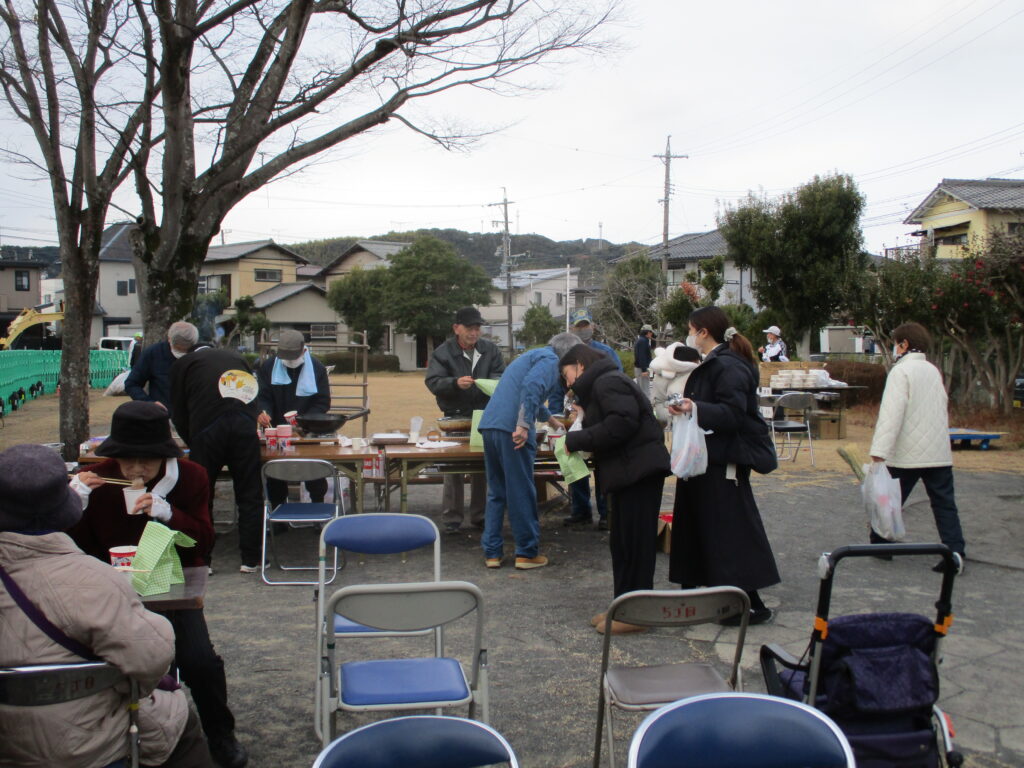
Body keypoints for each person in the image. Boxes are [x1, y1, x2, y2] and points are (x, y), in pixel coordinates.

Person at [0, 444, 215, 768]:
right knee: (179, 718)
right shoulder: (97, 580)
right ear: (63, 505)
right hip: (94, 744)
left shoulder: (190, 478)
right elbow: (151, 659)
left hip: (9, 742)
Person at [67, 401, 248, 768]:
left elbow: (203, 543)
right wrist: (73, 505)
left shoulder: (191, 477)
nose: (135, 469)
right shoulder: (99, 478)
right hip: (113, 587)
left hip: (172, 584)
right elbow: (74, 548)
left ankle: (220, 734)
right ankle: (119, 737)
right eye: (127, 459)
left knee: (199, 662)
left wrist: (169, 513)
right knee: (106, 663)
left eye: (146, 460)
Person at [667, 306, 780, 626]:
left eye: (691, 329)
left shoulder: (728, 365)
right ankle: (703, 594)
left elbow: (733, 414)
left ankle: (746, 602)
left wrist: (693, 406)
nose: (689, 335)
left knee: (729, 533)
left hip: (723, 460)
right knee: (708, 529)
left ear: (703, 332)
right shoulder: (719, 362)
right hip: (708, 458)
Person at [560, 344, 671, 635]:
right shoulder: (603, 383)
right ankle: (623, 606)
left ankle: (638, 614)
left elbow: (622, 423)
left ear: (579, 365)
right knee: (622, 543)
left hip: (639, 471)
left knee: (635, 543)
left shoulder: (608, 381)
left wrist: (579, 439)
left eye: (567, 374)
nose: (568, 382)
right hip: (628, 472)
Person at [478, 332, 581, 570]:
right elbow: (532, 387)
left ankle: (492, 552)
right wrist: (524, 425)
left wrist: (552, 421)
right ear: (568, 355)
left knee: (497, 491)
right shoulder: (550, 360)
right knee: (521, 490)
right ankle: (526, 552)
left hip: (490, 425)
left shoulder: (533, 356)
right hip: (510, 429)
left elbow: (523, 392)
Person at [869, 322, 966, 572]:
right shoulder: (932, 370)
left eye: (895, 343)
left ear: (904, 345)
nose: (893, 348)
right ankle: (955, 553)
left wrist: (879, 450)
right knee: (944, 503)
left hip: (907, 454)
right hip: (938, 452)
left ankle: (881, 544)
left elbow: (892, 415)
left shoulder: (901, 372)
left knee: (888, 499)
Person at [170, 343, 263, 574]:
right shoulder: (237, 358)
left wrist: (191, 440)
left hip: (206, 430)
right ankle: (251, 560)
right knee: (249, 493)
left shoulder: (184, 363)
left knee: (201, 495)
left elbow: (178, 410)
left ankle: (203, 559)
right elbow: (252, 395)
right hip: (243, 426)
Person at [425, 306, 506, 533]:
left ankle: (481, 515)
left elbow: (501, 374)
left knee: (483, 466)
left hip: (484, 415)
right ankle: (452, 517)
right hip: (454, 417)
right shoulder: (443, 352)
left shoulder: (490, 350)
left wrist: (489, 382)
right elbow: (432, 381)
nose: (474, 333)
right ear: (456, 328)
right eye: (470, 328)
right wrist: (454, 384)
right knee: (454, 467)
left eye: (477, 328)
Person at [563, 308, 623, 530]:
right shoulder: (566, 353)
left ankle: (605, 512)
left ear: (593, 326)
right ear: (572, 328)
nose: (583, 330)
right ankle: (580, 510)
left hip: (599, 415)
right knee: (574, 461)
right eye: (579, 326)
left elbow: (618, 379)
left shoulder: (605, 352)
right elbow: (557, 386)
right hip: (573, 418)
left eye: (586, 325)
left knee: (602, 464)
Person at [256, 329, 331, 508]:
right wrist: (264, 412)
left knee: (313, 471)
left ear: (304, 350)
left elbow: (322, 402)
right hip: (276, 430)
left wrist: (305, 420)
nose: (289, 360)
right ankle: (278, 511)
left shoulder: (317, 368)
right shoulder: (268, 367)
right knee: (276, 472)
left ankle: (318, 509)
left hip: (308, 431)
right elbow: (263, 396)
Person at [126, 321, 200, 412]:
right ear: (169, 339)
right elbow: (132, 384)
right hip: (164, 415)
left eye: (187, 349)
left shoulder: (201, 355)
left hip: (194, 416)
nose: (182, 353)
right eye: (178, 349)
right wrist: (149, 403)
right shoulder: (153, 353)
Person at [651, 341, 702, 426]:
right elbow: (658, 405)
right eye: (695, 362)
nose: (697, 364)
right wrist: (671, 414)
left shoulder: (698, 373)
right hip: (675, 425)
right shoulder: (662, 377)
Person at [633, 324, 656, 397]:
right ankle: (647, 407)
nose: (652, 334)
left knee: (641, 390)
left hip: (640, 368)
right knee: (645, 391)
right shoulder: (643, 341)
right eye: (651, 332)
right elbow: (642, 356)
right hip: (641, 369)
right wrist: (644, 370)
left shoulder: (640, 340)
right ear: (648, 332)